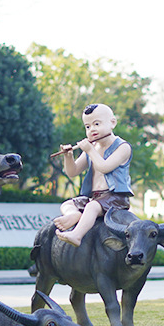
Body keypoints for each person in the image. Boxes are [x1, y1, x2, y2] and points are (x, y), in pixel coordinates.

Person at [52, 103, 133, 247]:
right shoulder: (93, 147)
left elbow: (105, 167)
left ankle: (77, 235)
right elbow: (72, 172)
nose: (92, 129)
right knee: (67, 204)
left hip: (115, 197)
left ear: (112, 123)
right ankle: (74, 215)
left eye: (97, 124)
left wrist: (89, 150)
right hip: (95, 197)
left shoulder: (122, 147)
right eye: (88, 126)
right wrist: (68, 156)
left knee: (92, 207)